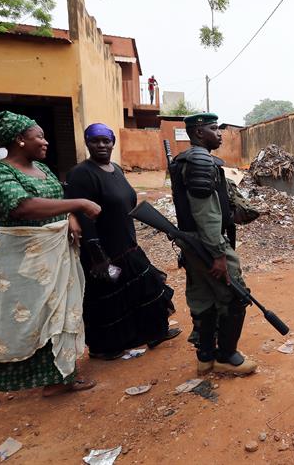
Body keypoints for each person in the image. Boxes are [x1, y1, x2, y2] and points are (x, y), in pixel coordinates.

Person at [0, 111, 102, 413]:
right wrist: (79, 204)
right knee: (16, 324)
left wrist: (69, 217)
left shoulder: (43, 169)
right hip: (22, 261)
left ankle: (60, 378)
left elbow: (54, 200)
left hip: (56, 254)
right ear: (20, 140)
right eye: (40, 137)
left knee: (58, 314)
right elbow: (22, 207)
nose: (46, 142)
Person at [65, 124, 181, 360]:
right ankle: (104, 348)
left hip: (126, 242)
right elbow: (83, 216)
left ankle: (154, 332)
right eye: (95, 141)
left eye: (106, 141)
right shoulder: (81, 174)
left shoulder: (115, 169)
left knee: (146, 288)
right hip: (103, 249)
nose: (101, 145)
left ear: (113, 142)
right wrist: (97, 255)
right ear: (87, 143)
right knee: (109, 303)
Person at [169, 113, 257, 376]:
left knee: (203, 298)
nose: (219, 134)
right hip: (208, 244)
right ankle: (226, 356)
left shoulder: (184, 160)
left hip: (192, 244)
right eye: (213, 129)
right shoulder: (200, 161)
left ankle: (205, 356)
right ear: (198, 133)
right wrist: (219, 254)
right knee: (235, 298)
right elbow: (206, 214)